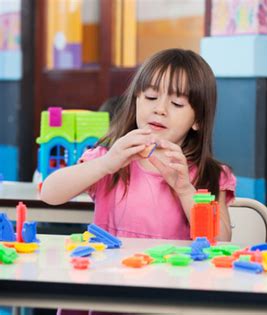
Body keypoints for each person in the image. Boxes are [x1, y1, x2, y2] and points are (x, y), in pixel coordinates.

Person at [41, 48, 235, 242]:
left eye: (177, 103)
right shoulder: (112, 159)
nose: (160, 109)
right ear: (136, 102)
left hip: (172, 272)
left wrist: (185, 190)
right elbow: (49, 194)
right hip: (108, 271)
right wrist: (105, 164)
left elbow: (221, 241)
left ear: (198, 120)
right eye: (151, 97)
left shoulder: (208, 174)